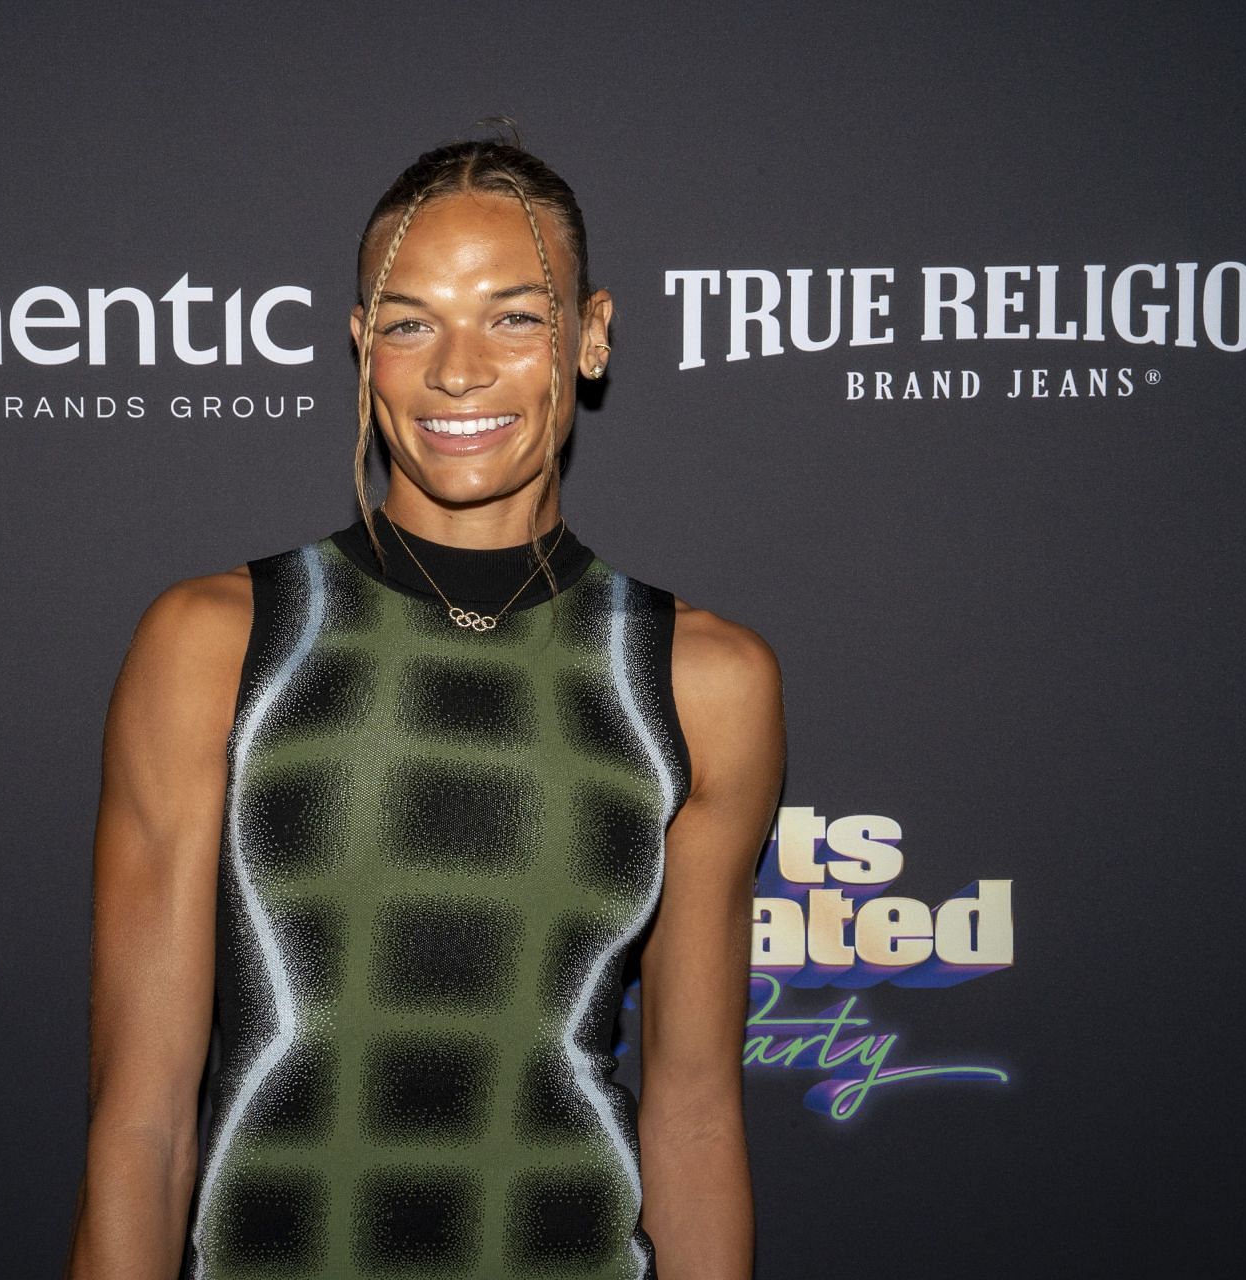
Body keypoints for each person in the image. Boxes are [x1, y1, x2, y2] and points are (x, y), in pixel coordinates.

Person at [67, 133, 784, 1280]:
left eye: (514, 315)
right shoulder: (216, 641)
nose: (458, 369)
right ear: (362, 349)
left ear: (591, 334)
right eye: (409, 322)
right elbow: (140, 1123)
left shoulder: (703, 677)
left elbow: (695, 1115)